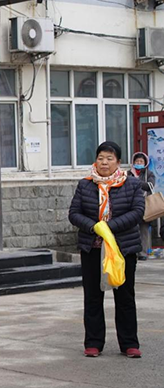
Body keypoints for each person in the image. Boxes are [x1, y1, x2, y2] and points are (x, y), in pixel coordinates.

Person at [69, 141, 145, 358]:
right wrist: (94, 227)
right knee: (93, 296)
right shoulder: (85, 185)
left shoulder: (131, 185)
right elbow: (74, 213)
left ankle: (129, 344)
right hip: (92, 248)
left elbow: (137, 212)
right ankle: (93, 343)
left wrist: (108, 227)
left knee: (125, 296)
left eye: (109, 158)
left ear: (118, 162)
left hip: (123, 249)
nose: (104, 162)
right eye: (101, 158)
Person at [128, 151, 156, 259]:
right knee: (132, 230)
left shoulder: (149, 174)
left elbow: (150, 185)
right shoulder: (128, 173)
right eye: (137, 161)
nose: (139, 163)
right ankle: (133, 252)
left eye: (141, 161)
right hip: (131, 205)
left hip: (145, 205)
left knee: (144, 230)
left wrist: (135, 182)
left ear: (145, 163)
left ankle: (143, 253)